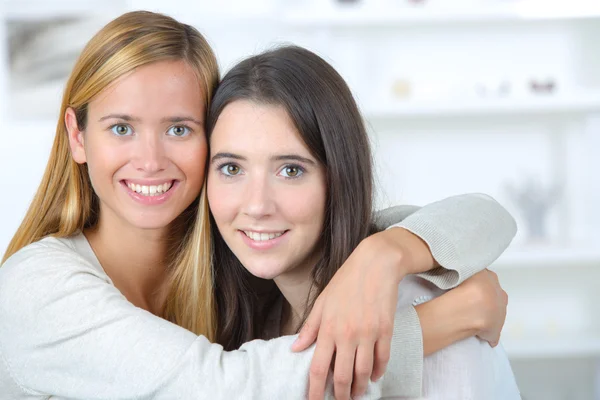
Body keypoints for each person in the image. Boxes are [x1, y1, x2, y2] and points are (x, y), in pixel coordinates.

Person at [0, 11, 515, 400]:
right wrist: (442, 321)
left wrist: (388, 256)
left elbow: (475, 215)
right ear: (77, 137)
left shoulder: (231, 261)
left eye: (179, 129)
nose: (151, 159)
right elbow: (225, 388)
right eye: (121, 128)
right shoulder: (36, 287)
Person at [206, 45, 521, 399]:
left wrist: (385, 256)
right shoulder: (260, 312)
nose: (257, 205)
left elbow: (484, 213)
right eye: (231, 168)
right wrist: (413, 335)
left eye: (291, 170)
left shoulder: (424, 313)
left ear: (339, 177)